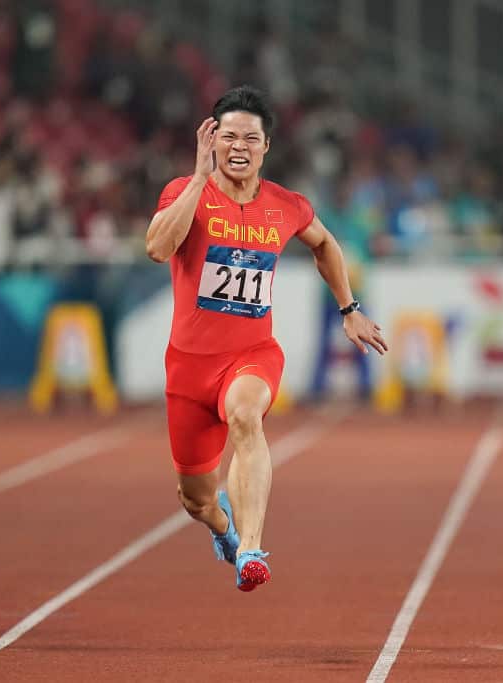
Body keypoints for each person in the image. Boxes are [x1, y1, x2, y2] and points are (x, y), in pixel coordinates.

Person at [146, 85, 387, 591]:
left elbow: (325, 243)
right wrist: (196, 179)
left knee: (245, 416)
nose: (239, 147)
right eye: (228, 136)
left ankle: (252, 549)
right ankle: (225, 528)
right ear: (210, 140)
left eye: (250, 138)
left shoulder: (287, 205)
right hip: (189, 368)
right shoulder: (182, 193)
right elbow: (156, 247)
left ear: (266, 146)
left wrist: (350, 308)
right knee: (196, 499)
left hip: (252, 355)